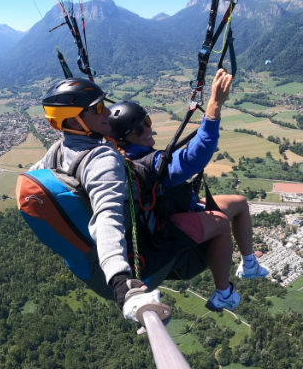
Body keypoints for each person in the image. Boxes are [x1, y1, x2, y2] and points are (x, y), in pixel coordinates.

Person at [108, 68, 267, 312]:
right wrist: (213, 107)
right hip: (165, 237)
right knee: (222, 223)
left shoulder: (125, 156)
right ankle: (223, 293)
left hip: (171, 213)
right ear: (125, 140)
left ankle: (249, 264)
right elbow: (194, 157)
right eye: (139, 129)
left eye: (147, 122)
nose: (148, 129)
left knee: (239, 203)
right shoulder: (148, 166)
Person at [32, 77, 173, 324]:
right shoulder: (102, 160)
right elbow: (107, 216)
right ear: (74, 120)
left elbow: (30, 179)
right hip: (133, 264)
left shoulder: (56, 152)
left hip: (88, 267)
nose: (108, 112)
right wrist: (121, 279)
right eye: (97, 108)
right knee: (209, 222)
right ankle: (224, 291)